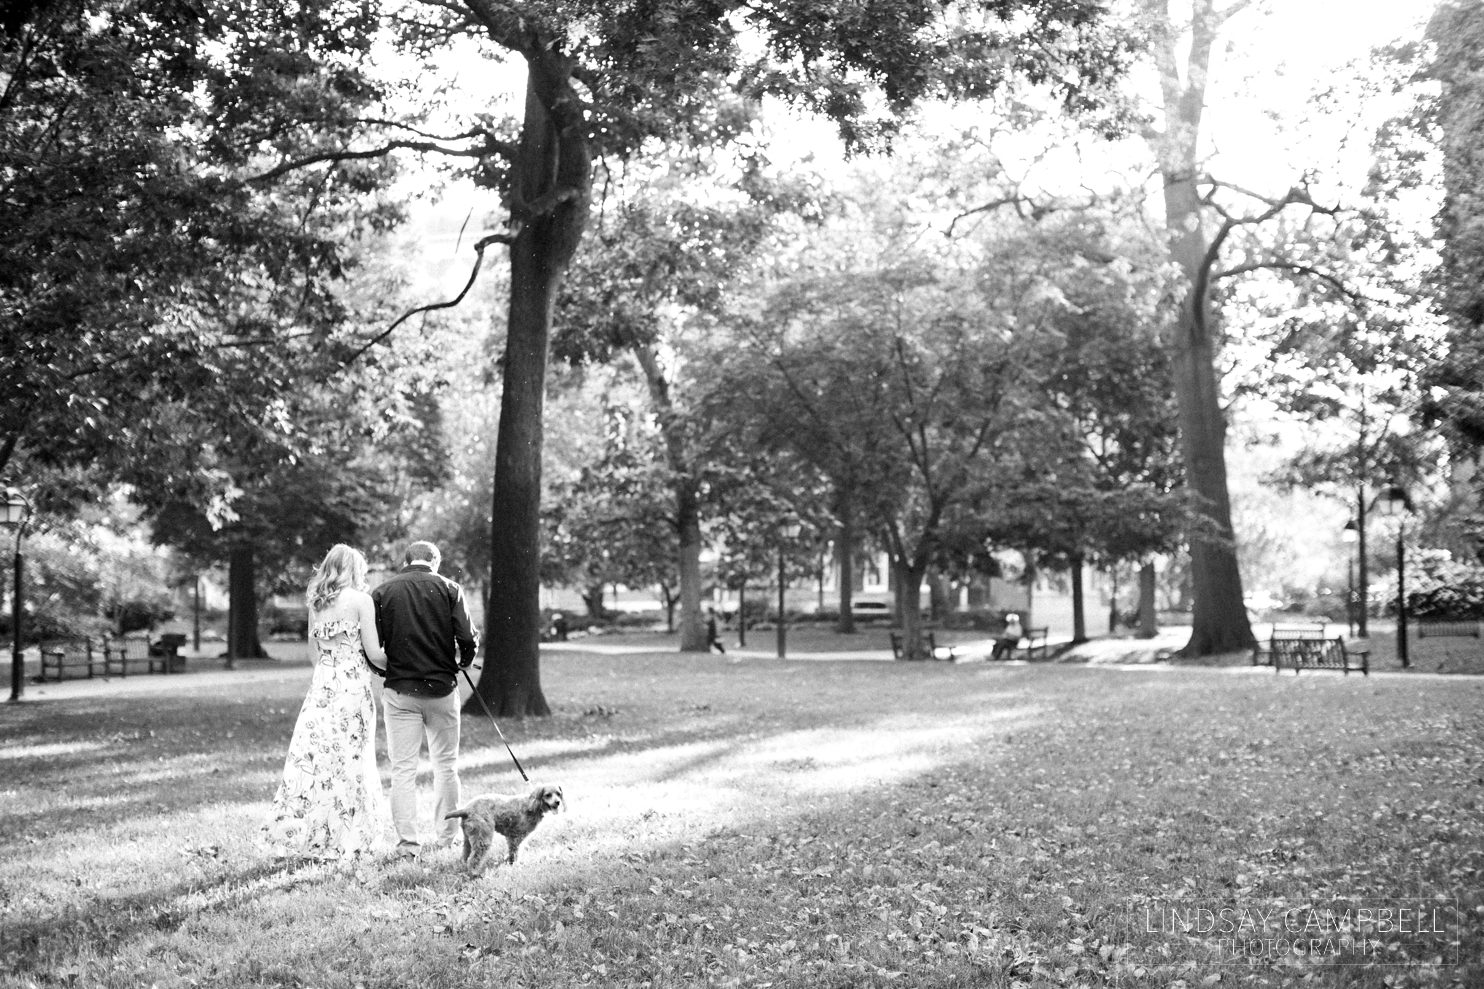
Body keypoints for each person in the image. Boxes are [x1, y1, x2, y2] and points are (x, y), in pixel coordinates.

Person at [263, 544, 389, 861]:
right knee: (353, 760)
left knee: (318, 761)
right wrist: (404, 664)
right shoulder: (362, 601)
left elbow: (313, 655)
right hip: (352, 689)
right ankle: (351, 835)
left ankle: (310, 836)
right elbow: (374, 654)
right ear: (353, 569)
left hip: (322, 687)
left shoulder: (317, 604)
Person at [372, 540, 479, 858]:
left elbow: (372, 644)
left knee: (403, 768)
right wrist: (464, 661)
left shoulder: (382, 592)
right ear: (435, 561)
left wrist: (385, 670)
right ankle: (447, 837)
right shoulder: (450, 588)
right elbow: (467, 636)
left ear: (406, 560)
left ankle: (408, 842)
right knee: (446, 765)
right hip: (441, 688)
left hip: (400, 690)